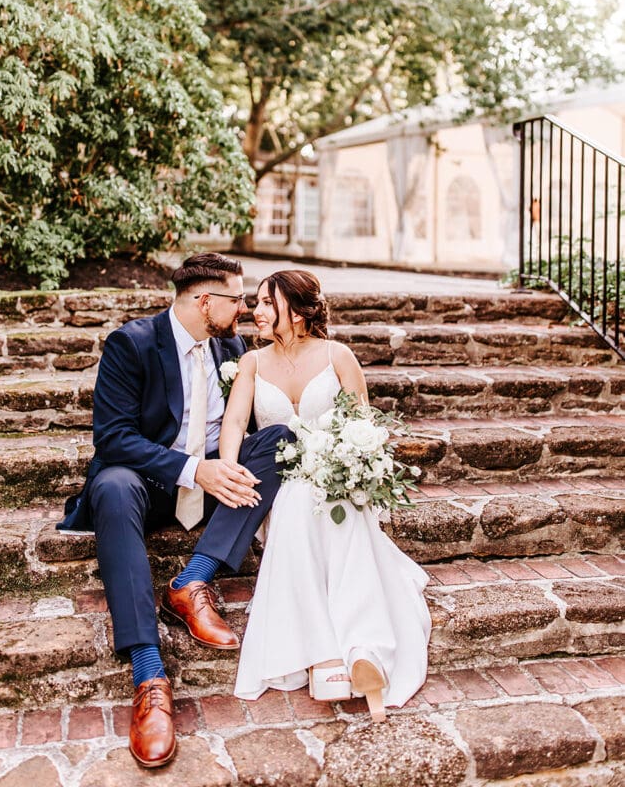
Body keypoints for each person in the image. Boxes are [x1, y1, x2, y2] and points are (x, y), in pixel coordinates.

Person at [57, 253, 293, 768]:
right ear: (205, 301)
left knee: (279, 440)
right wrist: (193, 469)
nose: (244, 308)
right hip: (149, 484)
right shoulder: (132, 343)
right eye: (236, 299)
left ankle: (191, 581)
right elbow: (113, 438)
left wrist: (223, 465)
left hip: (210, 482)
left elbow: (245, 422)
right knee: (112, 486)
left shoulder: (231, 347)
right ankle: (149, 676)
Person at [220, 270, 431, 721]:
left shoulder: (339, 356)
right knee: (300, 502)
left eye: (266, 303)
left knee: (335, 506)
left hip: (336, 476)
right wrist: (230, 470)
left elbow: (364, 424)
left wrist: (352, 467)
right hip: (281, 483)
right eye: (256, 303)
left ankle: (363, 651)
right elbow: (235, 423)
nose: (255, 311)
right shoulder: (252, 363)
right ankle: (334, 649)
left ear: (296, 312)